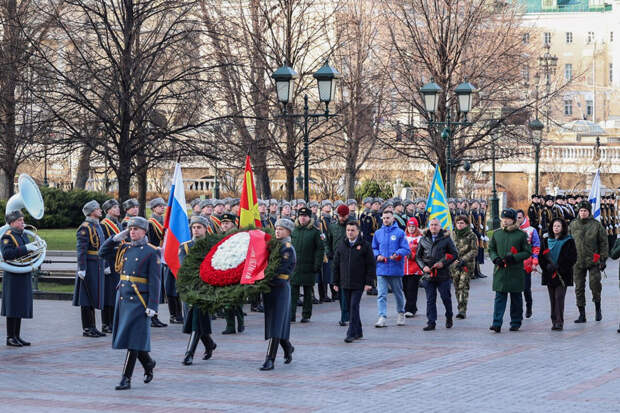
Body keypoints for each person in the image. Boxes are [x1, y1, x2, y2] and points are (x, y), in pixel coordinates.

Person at [99, 216, 160, 390]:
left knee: (133, 340)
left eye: (136, 229)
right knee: (129, 338)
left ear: (144, 231)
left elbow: (155, 281)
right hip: (124, 299)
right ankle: (148, 363)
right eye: (130, 229)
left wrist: (153, 306)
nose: (132, 232)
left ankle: (126, 378)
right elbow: (103, 253)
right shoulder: (124, 248)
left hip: (139, 300)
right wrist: (115, 238)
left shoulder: (151, 251)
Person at [179, 216, 217, 365]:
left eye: (199, 227)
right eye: (194, 227)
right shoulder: (185, 247)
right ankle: (209, 344)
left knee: (196, 318)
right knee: (197, 318)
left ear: (205, 229)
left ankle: (189, 353)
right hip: (191, 287)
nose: (195, 230)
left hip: (206, 288)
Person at [260, 219, 296, 371]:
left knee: (276, 322)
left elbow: (282, 269)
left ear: (288, 231)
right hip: (269, 287)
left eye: (281, 229)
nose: (277, 231)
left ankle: (270, 359)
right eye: (276, 228)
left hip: (280, 288)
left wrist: (263, 277)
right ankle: (287, 347)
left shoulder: (287, 249)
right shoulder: (273, 246)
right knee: (275, 322)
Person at [488, 209, 532, 333]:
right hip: (500, 270)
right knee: (499, 298)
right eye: (503, 218)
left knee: (516, 298)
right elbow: (491, 249)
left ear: (513, 220)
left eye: (508, 219)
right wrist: (495, 259)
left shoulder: (521, 234)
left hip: (515, 271)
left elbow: (527, 251)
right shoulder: (497, 234)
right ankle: (496, 323)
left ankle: (516, 322)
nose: (505, 221)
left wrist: (514, 257)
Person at [1, 210, 40, 347]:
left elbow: (28, 252)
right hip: (13, 275)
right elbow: (7, 254)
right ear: (12, 223)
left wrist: (35, 250)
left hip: (23, 273)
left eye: (22, 220)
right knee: (12, 306)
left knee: (19, 305)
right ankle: (10, 337)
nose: (23, 222)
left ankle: (17, 335)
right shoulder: (8, 236)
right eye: (19, 220)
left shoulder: (22, 235)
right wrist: (26, 248)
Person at [333, 221, 375, 342]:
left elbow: (370, 265)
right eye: (348, 230)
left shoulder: (365, 245)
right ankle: (359, 331)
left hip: (359, 283)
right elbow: (336, 265)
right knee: (350, 307)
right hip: (345, 282)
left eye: (352, 230)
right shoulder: (342, 245)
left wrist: (369, 282)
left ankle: (351, 333)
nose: (350, 232)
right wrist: (335, 282)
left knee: (354, 306)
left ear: (358, 232)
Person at [568, 200, 608, 322]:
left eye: (585, 211)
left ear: (589, 212)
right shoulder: (573, 225)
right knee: (579, 287)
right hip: (577, 261)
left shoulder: (596, 225)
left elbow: (603, 242)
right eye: (581, 211)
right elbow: (568, 242)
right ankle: (582, 314)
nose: (583, 213)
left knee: (595, 285)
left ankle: (598, 309)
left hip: (593, 260)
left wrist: (602, 259)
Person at [416, 218, 458, 330]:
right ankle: (431, 322)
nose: (434, 227)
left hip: (442, 274)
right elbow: (418, 256)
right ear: (429, 226)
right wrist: (423, 266)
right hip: (428, 275)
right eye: (432, 225)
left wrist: (443, 263)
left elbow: (454, 254)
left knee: (445, 297)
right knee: (430, 299)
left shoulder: (446, 238)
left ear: (440, 226)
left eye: (436, 225)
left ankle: (449, 316)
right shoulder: (423, 239)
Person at [73, 200, 106, 338]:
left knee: (93, 296)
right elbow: (81, 249)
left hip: (97, 265)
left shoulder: (96, 225)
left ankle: (93, 326)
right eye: (98, 209)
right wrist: (82, 267)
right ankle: (87, 328)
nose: (100, 211)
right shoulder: (85, 227)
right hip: (89, 266)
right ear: (92, 212)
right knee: (86, 298)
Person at [372, 209, 410, 328]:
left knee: (398, 293)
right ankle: (382, 316)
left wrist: (398, 253)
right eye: (383, 218)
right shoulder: (378, 233)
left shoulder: (400, 233)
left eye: (388, 218)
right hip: (382, 268)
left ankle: (400, 313)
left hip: (395, 268)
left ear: (393, 218)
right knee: (381, 294)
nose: (385, 220)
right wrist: (377, 255)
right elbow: (373, 248)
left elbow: (406, 249)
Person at [539, 218, 577, 331]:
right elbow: (541, 256)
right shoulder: (546, 240)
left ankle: (559, 322)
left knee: (559, 297)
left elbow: (572, 258)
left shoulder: (569, 241)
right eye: (554, 226)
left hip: (562, 275)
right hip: (549, 274)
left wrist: (560, 267)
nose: (556, 228)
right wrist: (546, 267)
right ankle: (554, 320)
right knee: (552, 299)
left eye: (558, 226)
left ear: (563, 228)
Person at [290, 207, 324, 323]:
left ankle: (306, 315)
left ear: (310, 217)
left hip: (309, 266)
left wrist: (317, 265)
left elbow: (320, 250)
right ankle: (291, 315)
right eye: (300, 216)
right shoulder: (293, 230)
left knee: (308, 292)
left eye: (305, 216)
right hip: (295, 267)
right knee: (293, 292)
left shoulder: (315, 232)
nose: (302, 218)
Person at [147, 197, 172, 328]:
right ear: (153, 208)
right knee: (154, 287)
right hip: (154, 256)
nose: (162, 207)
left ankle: (155, 316)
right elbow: (150, 241)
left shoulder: (163, 221)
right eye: (159, 206)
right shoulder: (150, 223)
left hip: (162, 256)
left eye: (163, 206)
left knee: (158, 288)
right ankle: (152, 317)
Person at [328, 204, 353, 326]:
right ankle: (345, 314)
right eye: (340, 216)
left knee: (347, 289)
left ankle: (346, 315)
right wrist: (329, 252)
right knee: (338, 287)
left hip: (349, 261)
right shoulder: (332, 227)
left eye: (345, 216)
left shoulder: (352, 227)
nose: (342, 218)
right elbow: (328, 241)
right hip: (336, 261)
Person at [220, 213, 244, 334]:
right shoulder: (219, 236)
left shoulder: (238, 237)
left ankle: (240, 322)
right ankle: (230, 325)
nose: (224, 225)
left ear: (233, 224)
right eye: (223, 223)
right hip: (223, 271)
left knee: (236, 299)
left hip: (235, 271)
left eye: (227, 223)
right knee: (226, 299)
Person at [450, 215, 478, 319]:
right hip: (455, 264)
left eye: (462, 223)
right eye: (457, 223)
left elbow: (474, 250)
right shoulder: (452, 235)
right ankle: (459, 305)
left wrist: (464, 259)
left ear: (466, 224)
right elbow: (448, 248)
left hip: (467, 265)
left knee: (463, 286)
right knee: (457, 286)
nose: (459, 225)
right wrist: (453, 260)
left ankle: (462, 310)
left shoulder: (471, 235)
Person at [100, 199, 122, 333]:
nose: (118, 209)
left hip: (118, 261)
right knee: (108, 294)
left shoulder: (117, 224)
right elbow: (102, 247)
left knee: (115, 293)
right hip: (110, 261)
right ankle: (106, 323)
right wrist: (105, 264)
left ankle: (114, 322)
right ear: (108, 210)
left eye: (118, 206)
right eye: (114, 207)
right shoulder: (104, 225)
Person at [516, 209, 540, 318]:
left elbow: (536, 246)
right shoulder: (512, 230)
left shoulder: (531, 230)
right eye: (516, 218)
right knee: (515, 290)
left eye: (520, 218)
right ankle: (518, 311)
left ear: (524, 217)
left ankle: (529, 307)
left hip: (527, 264)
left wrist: (535, 260)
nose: (518, 220)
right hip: (515, 264)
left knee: (526, 288)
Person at [403, 217, 423, 318]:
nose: (411, 228)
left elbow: (422, 252)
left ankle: (409, 309)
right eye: (409, 226)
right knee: (405, 288)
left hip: (414, 268)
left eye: (413, 226)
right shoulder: (403, 237)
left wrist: (412, 255)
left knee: (412, 289)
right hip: (403, 268)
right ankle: (412, 306)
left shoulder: (420, 238)